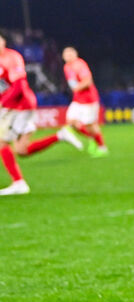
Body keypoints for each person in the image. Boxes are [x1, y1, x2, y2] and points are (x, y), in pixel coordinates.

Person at [0, 32, 83, 196]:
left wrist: (2, 103)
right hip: (12, 106)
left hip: (19, 105)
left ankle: (19, 183)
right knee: (21, 150)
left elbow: (19, 86)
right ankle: (60, 135)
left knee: (2, 143)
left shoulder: (12, 58)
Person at [61, 47, 109, 155]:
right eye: (65, 54)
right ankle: (91, 138)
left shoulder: (80, 65)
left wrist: (77, 88)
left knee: (90, 125)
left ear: (75, 54)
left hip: (89, 100)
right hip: (78, 99)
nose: (68, 56)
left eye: (70, 54)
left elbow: (88, 81)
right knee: (71, 121)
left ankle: (102, 147)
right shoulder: (67, 67)